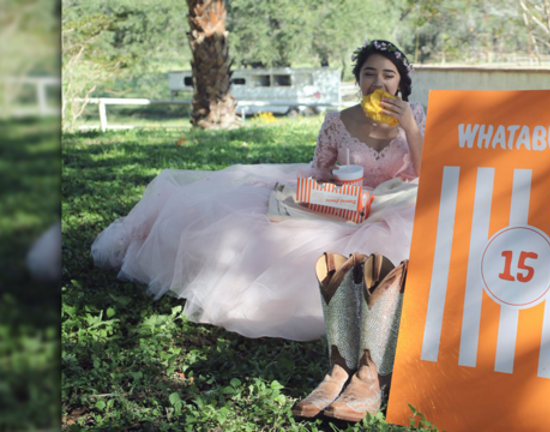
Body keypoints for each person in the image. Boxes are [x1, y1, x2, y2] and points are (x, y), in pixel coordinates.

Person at [91, 40, 425, 342]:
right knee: (264, 231)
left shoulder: (417, 117)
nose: (378, 83)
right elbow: (319, 175)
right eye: (370, 74)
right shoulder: (336, 121)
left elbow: (427, 172)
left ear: (400, 82)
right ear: (358, 79)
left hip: (396, 200)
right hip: (341, 201)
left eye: (388, 75)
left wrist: (410, 127)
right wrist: (336, 194)